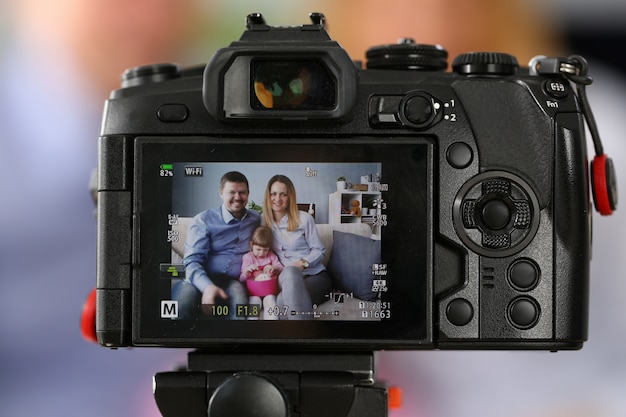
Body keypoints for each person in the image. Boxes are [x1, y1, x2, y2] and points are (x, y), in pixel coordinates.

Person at [173, 171, 260, 320]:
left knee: (239, 304)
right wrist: (207, 287)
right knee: (183, 305)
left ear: (248, 193)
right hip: (199, 278)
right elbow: (192, 261)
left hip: (233, 282)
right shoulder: (203, 220)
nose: (237, 197)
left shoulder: (256, 219)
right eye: (231, 192)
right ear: (221, 193)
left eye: (242, 192)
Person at [262, 174, 332, 319]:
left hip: (315, 275)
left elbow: (319, 250)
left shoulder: (305, 218)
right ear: (268, 196)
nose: (277, 199)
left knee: (281, 302)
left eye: (283, 194)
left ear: (290, 197)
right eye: (273, 194)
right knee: (289, 273)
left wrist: (303, 263)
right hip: (285, 278)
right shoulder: (263, 221)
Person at [240, 226, 283, 319]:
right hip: (253, 293)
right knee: (254, 303)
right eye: (258, 249)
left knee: (271, 301)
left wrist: (274, 267)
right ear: (251, 245)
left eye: (265, 250)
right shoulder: (248, 257)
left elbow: (280, 267)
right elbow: (242, 278)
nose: (261, 253)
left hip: (270, 291)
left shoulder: (271, 256)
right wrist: (246, 272)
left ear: (269, 248)